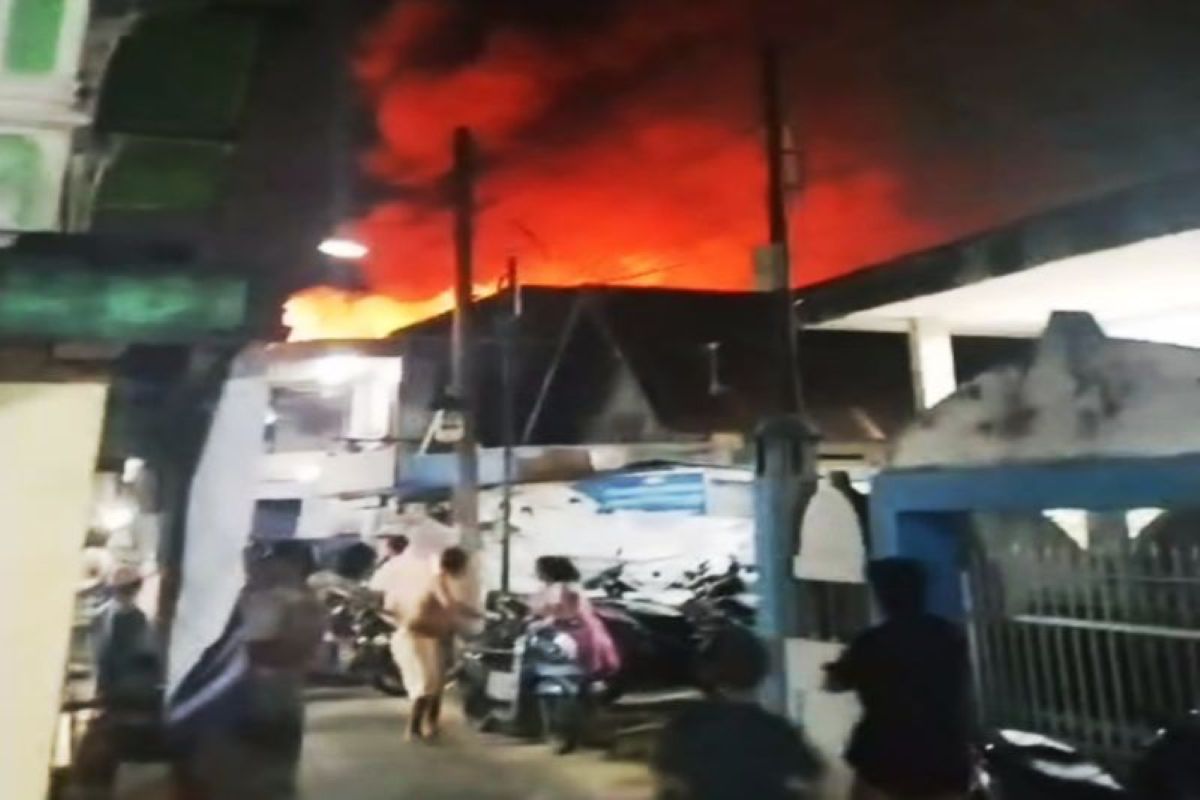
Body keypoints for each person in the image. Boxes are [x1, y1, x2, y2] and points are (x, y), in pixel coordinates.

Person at [182, 540, 325, 800]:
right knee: (275, 771)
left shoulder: (273, 599)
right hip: (288, 695)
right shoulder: (310, 600)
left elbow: (256, 647)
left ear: (287, 564)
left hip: (254, 695)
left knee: (238, 772)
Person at [824, 558, 973, 800]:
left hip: (885, 757)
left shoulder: (872, 642)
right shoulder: (948, 634)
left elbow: (835, 683)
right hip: (945, 754)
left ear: (883, 597)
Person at [653, 625, 821, 800]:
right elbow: (814, 782)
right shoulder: (778, 730)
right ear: (761, 671)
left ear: (707, 671)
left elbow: (669, 786)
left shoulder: (685, 728)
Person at [388, 545, 478, 741]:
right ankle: (413, 729)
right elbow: (448, 604)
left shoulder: (447, 582)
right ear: (457, 565)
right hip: (415, 637)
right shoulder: (438, 580)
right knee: (425, 683)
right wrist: (464, 619)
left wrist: (479, 615)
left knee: (437, 684)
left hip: (432, 638)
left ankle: (431, 725)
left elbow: (455, 606)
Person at [530, 555, 620, 677]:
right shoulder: (559, 586)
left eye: (540, 569)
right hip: (577, 629)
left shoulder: (562, 588)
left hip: (572, 632)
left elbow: (563, 612)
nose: (537, 572)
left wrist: (541, 623)